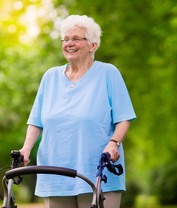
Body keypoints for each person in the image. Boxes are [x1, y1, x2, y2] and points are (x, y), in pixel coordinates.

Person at [19, 15, 136, 208]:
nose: (69, 44)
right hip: (55, 173)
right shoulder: (50, 77)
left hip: (98, 171)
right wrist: (26, 148)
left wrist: (114, 143)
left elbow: (124, 118)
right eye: (65, 39)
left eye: (76, 39)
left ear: (93, 45)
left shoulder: (108, 73)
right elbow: (36, 121)